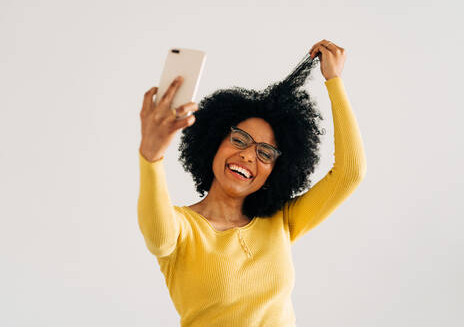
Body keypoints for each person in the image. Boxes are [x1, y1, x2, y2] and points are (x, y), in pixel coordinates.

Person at [137, 39, 367, 327]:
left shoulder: (281, 222)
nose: (247, 155)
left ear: (276, 170)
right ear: (214, 144)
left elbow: (350, 173)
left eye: (265, 153)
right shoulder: (183, 228)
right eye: (239, 139)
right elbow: (157, 238)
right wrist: (151, 155)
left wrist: (334, 81)